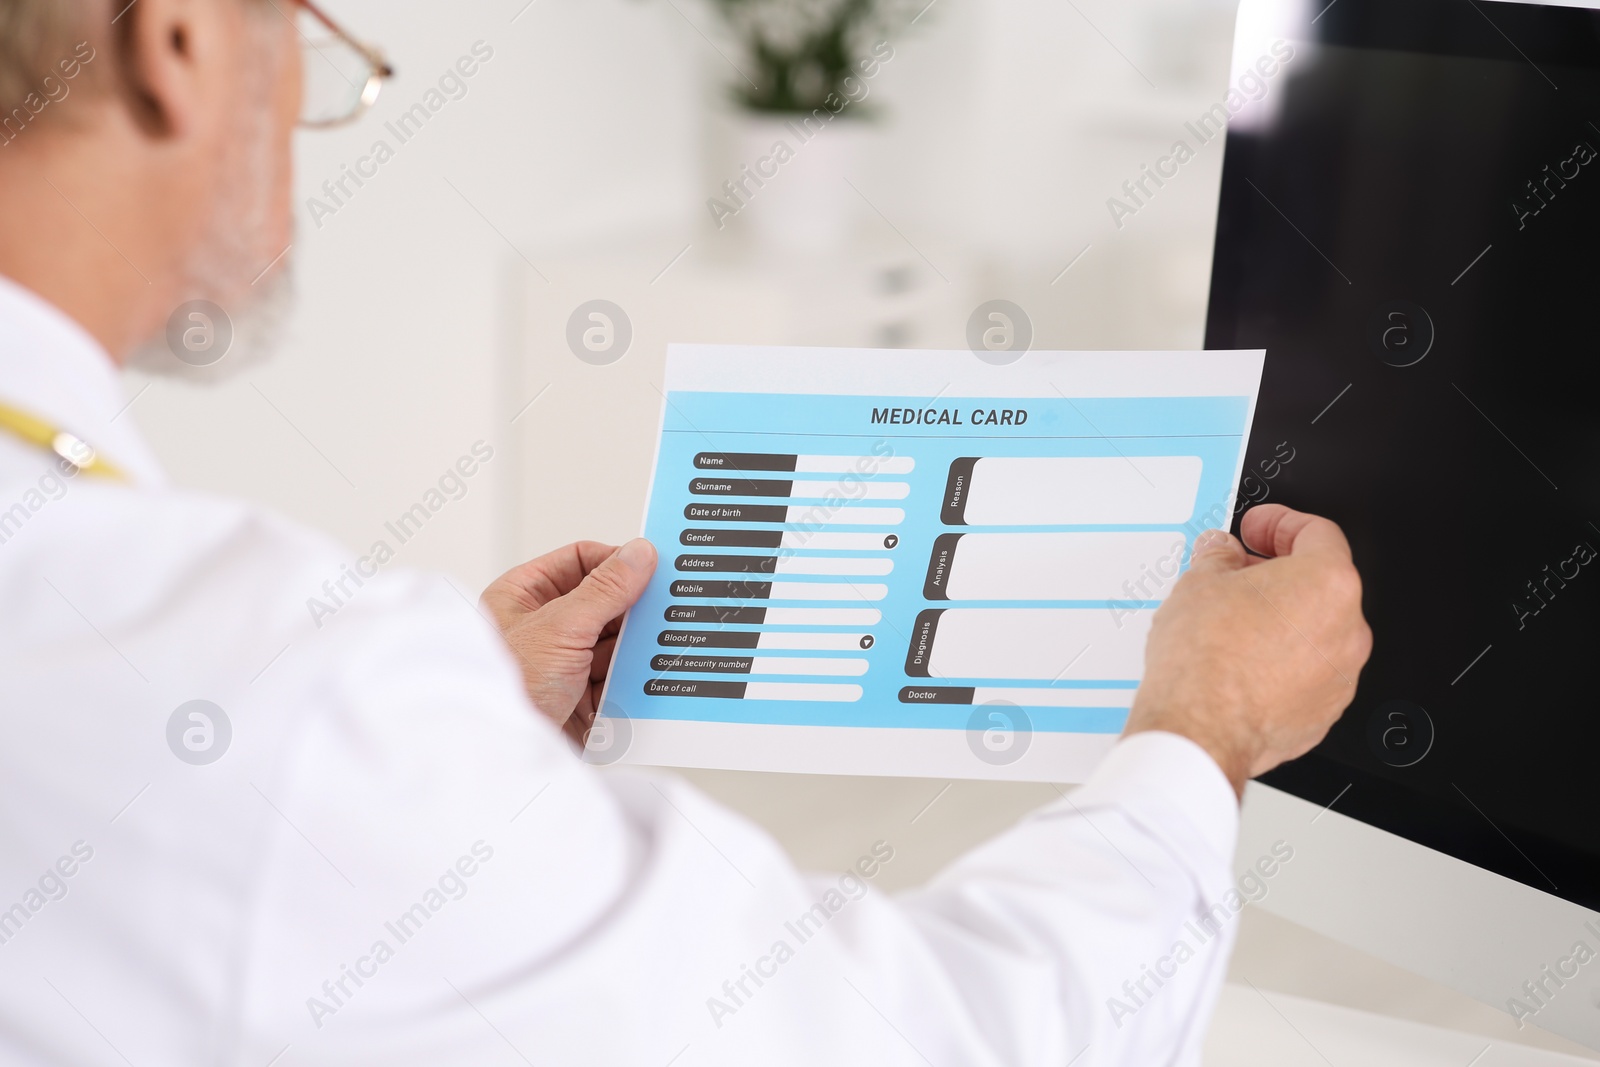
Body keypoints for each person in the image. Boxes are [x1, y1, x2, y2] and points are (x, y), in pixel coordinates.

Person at [0, 1, 1372, 1063]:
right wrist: (1205, 732)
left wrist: (451, 747)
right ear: (176, 42)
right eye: (298, 32)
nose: (307, 92)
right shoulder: (266, 690)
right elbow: (934, 1040)